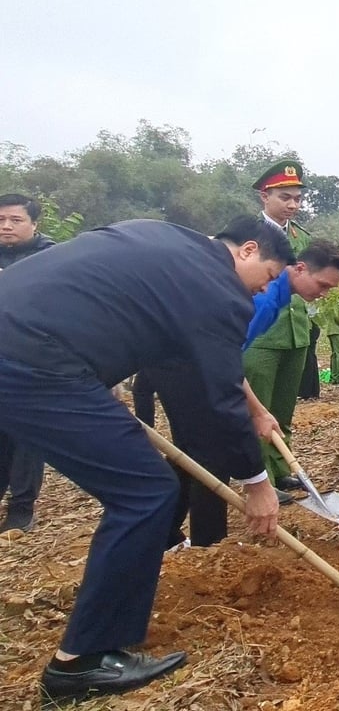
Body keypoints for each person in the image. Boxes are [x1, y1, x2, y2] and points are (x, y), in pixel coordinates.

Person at [0, 218, 292, 702]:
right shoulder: (220, 289)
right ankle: (83, 661)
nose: (266, 287)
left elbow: (101, 294)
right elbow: (221, 397)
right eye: (270, 274)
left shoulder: (160, 235)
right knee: (147, 492)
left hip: (25, 339)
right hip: (33, 360)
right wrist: (256, 482)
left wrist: (96, 371)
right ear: (247, 250)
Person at [150, 236, 339, 549]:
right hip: (180, 364)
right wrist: (254, 413)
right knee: (212, 453)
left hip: (190, 360)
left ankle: (163, 533)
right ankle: (210, 544)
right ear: (299, 269)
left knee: (193, 451)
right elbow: (225, 365)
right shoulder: (263, 299)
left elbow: (226, 359)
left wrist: (259, 411)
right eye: (322, 285)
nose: (323, 294)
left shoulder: (277, 296)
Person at [243, 159, 313, 495]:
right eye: (285, 197)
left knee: (284, 407)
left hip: (295, 331)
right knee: (259, 410)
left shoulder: (300, 236)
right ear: (264, 196)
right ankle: (262, 479)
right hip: (261, 335)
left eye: (297, 199)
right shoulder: (249, 236)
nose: (292, 205)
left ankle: (282, 468)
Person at [0, 193, 57, 532]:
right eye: (0, 220)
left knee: (27, 438)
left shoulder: (51, 258)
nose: (6, 226)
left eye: (15, 220)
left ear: (35, 224)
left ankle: (21, 508)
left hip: (32, 361)